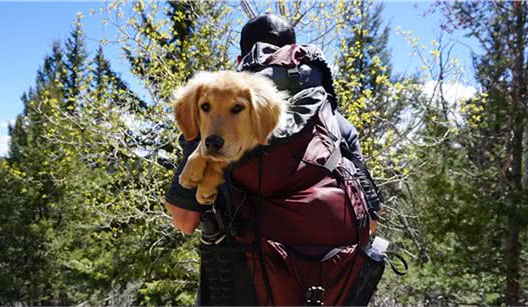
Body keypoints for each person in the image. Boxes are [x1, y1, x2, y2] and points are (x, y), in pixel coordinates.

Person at [164, 14, 384, 305]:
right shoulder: (335, 122)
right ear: (294, 53)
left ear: (242, 58)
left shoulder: (218, 118)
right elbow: (370, 220)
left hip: (242, 286)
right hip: (329, 287)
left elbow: (184, 220)